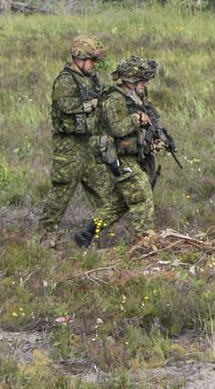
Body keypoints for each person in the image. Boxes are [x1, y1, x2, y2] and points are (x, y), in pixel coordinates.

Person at [40, 36, 117, 245]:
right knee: (60, 196)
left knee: (105, 195)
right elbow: (64, 106)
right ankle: (46, 240)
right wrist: (89, 104)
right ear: (79, 58)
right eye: (91, 60)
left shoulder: (91, 78)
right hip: (69, 149)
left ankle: (95, 235)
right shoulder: (65, 80)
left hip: (90, 146)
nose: (94, 65)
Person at [93, 55, 165, 241]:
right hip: (118, 156)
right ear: (131, 79)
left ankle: (84, 236)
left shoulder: (134, 98)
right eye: (142, 80)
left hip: (132, 154)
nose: (145, 84)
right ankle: (145, 239)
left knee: (120, 202)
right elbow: (116, 128)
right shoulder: (114, 99)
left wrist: (153, 139)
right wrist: (137, 119)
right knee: (141, 192)